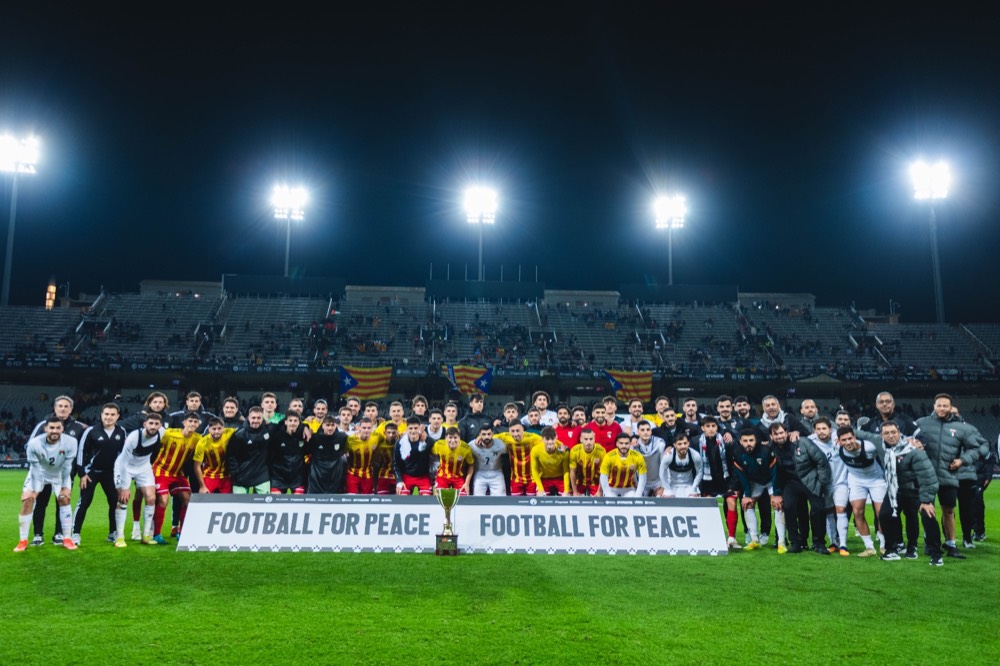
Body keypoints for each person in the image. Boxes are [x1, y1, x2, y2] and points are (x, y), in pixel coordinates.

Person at [914, 394, 987, 559]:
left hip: (949, 475)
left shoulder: (962, 428)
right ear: (934, 406)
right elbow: (908, 440)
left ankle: (951, 544)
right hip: (926, 476)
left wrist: (962, 460)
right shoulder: (921, 423)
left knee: (949, 510)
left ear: (950, 407)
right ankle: (930, 542)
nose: (942, 409)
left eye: (945, 406)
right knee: (927, 510)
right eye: (939, 405)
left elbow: (975, 449)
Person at [877, 421, 942, 565]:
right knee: (885, 515)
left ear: (899, 432)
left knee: (926, 515)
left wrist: (926, 501)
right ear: (881, 435)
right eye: (887, 433)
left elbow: (928, 476)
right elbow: (863, 434)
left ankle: (934, 553)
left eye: (893, 432)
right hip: (896, 490)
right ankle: (892, 550)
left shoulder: (913, 450)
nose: (891, 436)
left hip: (916, 491)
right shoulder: (882, 448)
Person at [28, 395, 87, 546]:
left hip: (66, 474)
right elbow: (30, 446)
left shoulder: (79, 427)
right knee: (41, 503)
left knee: (62, 502)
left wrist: (81, 472)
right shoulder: (43, 425)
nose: (63, 408)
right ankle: (38, 535)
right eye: (60, 406)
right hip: (44, 472)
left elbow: (83, 451)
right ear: (55, 408)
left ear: (71, 409)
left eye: (66, 406)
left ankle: (59, 534)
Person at [14, 417, 78, 552]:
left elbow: (67, 467)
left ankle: (67, 539)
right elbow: (35, 468)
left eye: (58, 428)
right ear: (45, 429)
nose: (54, 431)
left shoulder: (71, 442)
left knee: (64, 499)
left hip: (59, 474)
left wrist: (65, 487)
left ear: (62, 429)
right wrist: (35, 490)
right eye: (52, 428)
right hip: (39, 473)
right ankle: (23, 541)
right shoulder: (34, 443)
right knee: (27, 500)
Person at [770, 423, 832, 555]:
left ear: (787, 433)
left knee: (818, 510)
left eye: (781, 433)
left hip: (810, 480)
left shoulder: (802, 442)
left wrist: (821, 482)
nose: (779, 436)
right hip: (791, 483)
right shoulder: (771, 449)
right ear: (771, 436)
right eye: (776, 434)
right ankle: (796, 542)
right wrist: (776, 493)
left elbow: (821, 460)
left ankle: (819, 543)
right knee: (789, 508)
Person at [73, 403, 127, 545]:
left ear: (118, 416)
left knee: (114, 501)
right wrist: (82, 474)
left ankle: (112, 533)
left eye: (112, 414)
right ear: (101, 415)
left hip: (111, 473)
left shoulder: (121, 431)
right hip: (91, 473)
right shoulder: (91, 431)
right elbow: (81, 452)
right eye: (106, 414)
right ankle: (75, 534)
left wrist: (122, 476)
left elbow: (124, 455)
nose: (109, 417)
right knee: (84, 502)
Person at [112, 413, 163, 547]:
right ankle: (120, 537)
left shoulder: (161, 433)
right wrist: (124, 487)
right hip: (125, 467)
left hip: (143, 468)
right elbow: (123, 462)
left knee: (151, 498)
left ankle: (146, 535)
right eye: (150, 423)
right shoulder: (134, 437)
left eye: (156, 424)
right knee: (123, 499)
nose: (153, 427)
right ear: (144, 424)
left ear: (160, 425)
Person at [151, 412, 202, 543]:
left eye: (195, 422)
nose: (192, 424)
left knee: (188, 499)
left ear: (198, 424)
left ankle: (182, 532)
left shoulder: (197, 439)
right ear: (184, 422)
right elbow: (153, 445)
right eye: (190, 421)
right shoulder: (168, 433)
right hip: (161, 470)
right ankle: (156, 533)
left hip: (177, 473)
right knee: (163, 500)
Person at [838, 427, 886, 556]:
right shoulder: (837, 448)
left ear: (855, 437)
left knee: (881, 513)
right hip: (856, 480)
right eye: (844, 440)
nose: (848, 442)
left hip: (876, 480)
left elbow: (885, 452)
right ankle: (869, 547)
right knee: (857, 511)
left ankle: (883, 545)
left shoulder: (869, 447)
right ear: (839, 441)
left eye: (850, 438)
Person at [696, 416, 740, 549]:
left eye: (713, 426)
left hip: (725, 480)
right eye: (707, 426)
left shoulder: (727, 442)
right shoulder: (695, 442)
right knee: (708, 508)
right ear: (703, 428)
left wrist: (734, 484)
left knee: (731, 502)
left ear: (717, 427)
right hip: (707, 481)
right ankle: (710, 538)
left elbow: (735, 464)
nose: (711, 429)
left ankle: (732, 538)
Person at [730, 430, 777, 551]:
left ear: (756, 441)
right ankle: (754, 539)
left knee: (777, 504)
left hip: (771, 481)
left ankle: (781, 541)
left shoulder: (765, 451)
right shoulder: (737, 452)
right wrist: (747, 494)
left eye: (751, 440)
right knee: (747, 504)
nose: (748, 443)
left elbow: (775, 472)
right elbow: (742, 476)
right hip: (756, 483)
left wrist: (776, 492)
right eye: (745, 441)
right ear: (740, 441)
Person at [809, 417, 850, 553]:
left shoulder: (839, 440)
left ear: (830, 429)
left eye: (824, 428)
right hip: (824, 485)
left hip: (840, 482)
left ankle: (843, 544)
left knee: (840, 509)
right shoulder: (810, 443)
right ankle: (834, 542)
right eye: (818, 429)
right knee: (829, 513)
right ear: (814, 431)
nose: (821, 432)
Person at [227, 407, 272, 494]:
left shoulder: (268, 430)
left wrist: (303, 427)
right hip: (242, 475)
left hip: (261, 475)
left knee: (265, 505)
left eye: (258, 418)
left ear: (262, 418)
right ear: (248, 417)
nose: (256, 420)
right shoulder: (239, 434)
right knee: (239, 505)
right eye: (253, 418)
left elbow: (285, 425)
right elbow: (231, 455)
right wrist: (235, 472)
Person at [495, 421, 541, 495]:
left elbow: (548, 441)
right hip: (516, 479)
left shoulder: (532, 437)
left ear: (522, 429)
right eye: (512, 431)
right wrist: (478, 438)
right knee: (515, 505)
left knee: (532, 504)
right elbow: (490, 437)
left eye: (517, 431)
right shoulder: (505, 437)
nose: (515, 434)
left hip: (532, 479)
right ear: (509, 431)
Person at [306, 416, 350, 494]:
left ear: (336, 425)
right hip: (317, 474)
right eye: (328, 425)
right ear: (323, 425)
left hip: (335, 474)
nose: (330, 428)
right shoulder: (315, 438)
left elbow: (347, 448)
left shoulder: (342, 437)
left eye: (332, 425)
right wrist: (304, 427)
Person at [269, 410, 308, 495]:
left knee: (298, 503)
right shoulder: (276, 435)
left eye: (295, 421)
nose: (292, 423)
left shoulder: (304, 436)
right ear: (285, 422)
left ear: (299, 423)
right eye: (290, 420)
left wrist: (306, 427)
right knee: (276, 504)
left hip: (297, 477)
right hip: (278, 476)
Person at [192, 417, 235, 494]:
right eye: (214, 429)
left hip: (226, 477)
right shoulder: (202, 443)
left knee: (227, 503)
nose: (217, 431)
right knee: (205, 502)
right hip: (210, 476)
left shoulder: (230, 432)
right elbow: (197, 465)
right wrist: (202, 486)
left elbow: (243, 431)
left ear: (223, 428)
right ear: (209, 429)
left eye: (219, 428)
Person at [393, 416, 434, 495]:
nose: (413, 431)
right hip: (407, 476)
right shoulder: (400, 443)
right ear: (407, 429)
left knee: (427, 500)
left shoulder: (428, 441)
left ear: (420, 428)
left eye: (415, 428)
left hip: (423, 477)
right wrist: (399, 480)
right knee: (402, 497)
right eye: (410, 428)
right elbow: (396, 464)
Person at [600, 432, 646, 497]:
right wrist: (608, 494)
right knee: (610, 502)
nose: (624, 446)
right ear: (617, 444)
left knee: (632, 502)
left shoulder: (638, 456)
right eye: (621, 443)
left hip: (629, 489)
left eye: (626, 443)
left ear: (630, 444)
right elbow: (603, 477)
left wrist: (637, 495)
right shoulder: (608, 456)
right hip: (611, 488)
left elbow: (643, 478)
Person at [530, 426, 570, 496]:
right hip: (544, 478)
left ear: (556, 437)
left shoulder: (564, 450)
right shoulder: (535, 450)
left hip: (560, 478)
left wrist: (566, 490)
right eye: (547, 439)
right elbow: (534, 470)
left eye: (552, 439)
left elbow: (566, 471)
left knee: (567, 497)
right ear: (542, 439)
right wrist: (540, 489)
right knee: (540, 496)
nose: (550, 442)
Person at [433, 427, 475, 494]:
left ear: (459, 438)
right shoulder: (438, 445)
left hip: (458, 477)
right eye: (450, 437)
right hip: (442, 476)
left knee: (464, 498)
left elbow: (471, 465)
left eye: (455, 438)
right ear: (446, 438)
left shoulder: (465, 448)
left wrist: (467, 483)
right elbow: (431, 457)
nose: (452, 440)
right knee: (439, 496)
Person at [469, 424, 508, 496]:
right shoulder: (472, 445)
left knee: (500, 499)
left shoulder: (500, 445)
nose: (486, 437)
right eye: (483, 434)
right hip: (480, 473)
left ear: (493, 434)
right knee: (477, 499)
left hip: (496, 472)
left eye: (489, 434)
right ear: (479, 435)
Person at [345, 417, 380, 494]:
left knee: (367, 501)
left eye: (369, 428)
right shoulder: (351, 439)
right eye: (364, 428)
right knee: (351, 499)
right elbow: (343, 453)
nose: (366, 430)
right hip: (353, 474)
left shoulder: (376, 437)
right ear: (359, 428)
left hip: (368, 474)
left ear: (372, 428)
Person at [632, 421, 666, 496]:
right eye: (642, 430)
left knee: (662, 497)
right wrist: (635, 483)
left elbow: (665, 466)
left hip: (657, 481)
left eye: (648, 430)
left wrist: (664, 485)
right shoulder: (633, 446)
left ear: (651, 431)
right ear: (638, 432)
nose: (646, 432)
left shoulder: (660, 444)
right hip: (641, 481)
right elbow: (633, 468)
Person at [569, 428, 604, 496]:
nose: (588, 442)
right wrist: (575, 491)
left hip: (595, 483)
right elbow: (572, 471)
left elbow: (603, 473)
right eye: (586, 439)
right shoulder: (574, 451)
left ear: (594, 439)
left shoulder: (601, 451)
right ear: (581, 439)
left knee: (597, 503)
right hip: (580, 483)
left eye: (591, 439)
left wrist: (600, 491)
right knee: (576, 502)